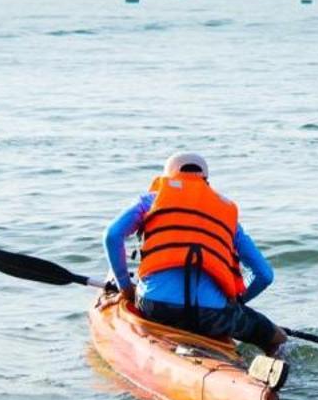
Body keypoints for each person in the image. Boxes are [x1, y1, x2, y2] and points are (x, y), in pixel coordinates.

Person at [105, 152, 289, 377]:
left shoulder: (150, 200)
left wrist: (125, 288)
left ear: (166, 178)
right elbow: (264, 275)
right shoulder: (227, 213)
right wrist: (237, 303)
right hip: (212, 315)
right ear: (207, 181)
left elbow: (112, 236)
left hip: (155, 307)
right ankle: (274, 382)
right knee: (278, 340)